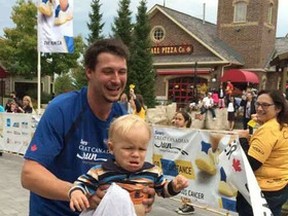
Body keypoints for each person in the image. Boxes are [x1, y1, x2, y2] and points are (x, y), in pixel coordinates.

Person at [21, 38, 155, 216]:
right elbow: (29, 174)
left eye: (122, 72)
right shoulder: (62, 110)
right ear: (89, 72)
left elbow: (129, 169)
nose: (116, 80)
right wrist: (77, 192)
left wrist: (142, 190)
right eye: (108, 72)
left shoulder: (122, 117)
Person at [69, 114, 189, 215]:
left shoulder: (152, 172)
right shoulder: (100, 172)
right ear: (111, 147)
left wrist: (174, 186)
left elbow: (163, 190)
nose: (136, 154)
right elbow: (82, 183)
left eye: (141, 149)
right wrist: (77, 193)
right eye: (128, 148)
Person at [237, 90, 288, 216]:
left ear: (278, 108)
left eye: (265, 105)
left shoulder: (268, 130)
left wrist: (243, 139)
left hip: (260, 190)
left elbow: (252, 164)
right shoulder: (282, 125)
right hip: (280, 185)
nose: (259, 108)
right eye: (257, 104)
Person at [171, 110, 195, 215]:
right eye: (175, 118)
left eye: (179, 119)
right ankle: (185, 204)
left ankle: (189, 205)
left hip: (187, 162)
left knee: (187, 183)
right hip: (178, 162)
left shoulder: (190, 133)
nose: (176, 121)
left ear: (185, 122)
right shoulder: (173, 132)